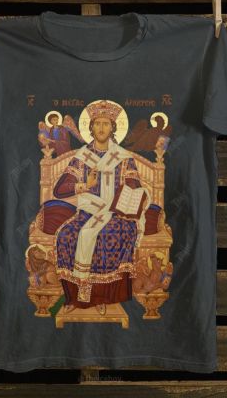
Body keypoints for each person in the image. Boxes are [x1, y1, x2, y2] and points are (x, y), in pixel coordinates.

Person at [52, 100, 151, 315]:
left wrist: (134, 198)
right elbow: (59, 190)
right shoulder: (82, 158)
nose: (101, 128)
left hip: (117, 215)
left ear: (113, 127)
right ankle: (74, 296)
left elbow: (134, 187)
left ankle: (102, 297)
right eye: (97, 123)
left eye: (106, 124)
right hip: (88, 211)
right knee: (66, 235)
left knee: (106, 235)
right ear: (91, 127)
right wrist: (84, 185)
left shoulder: (123, 158)